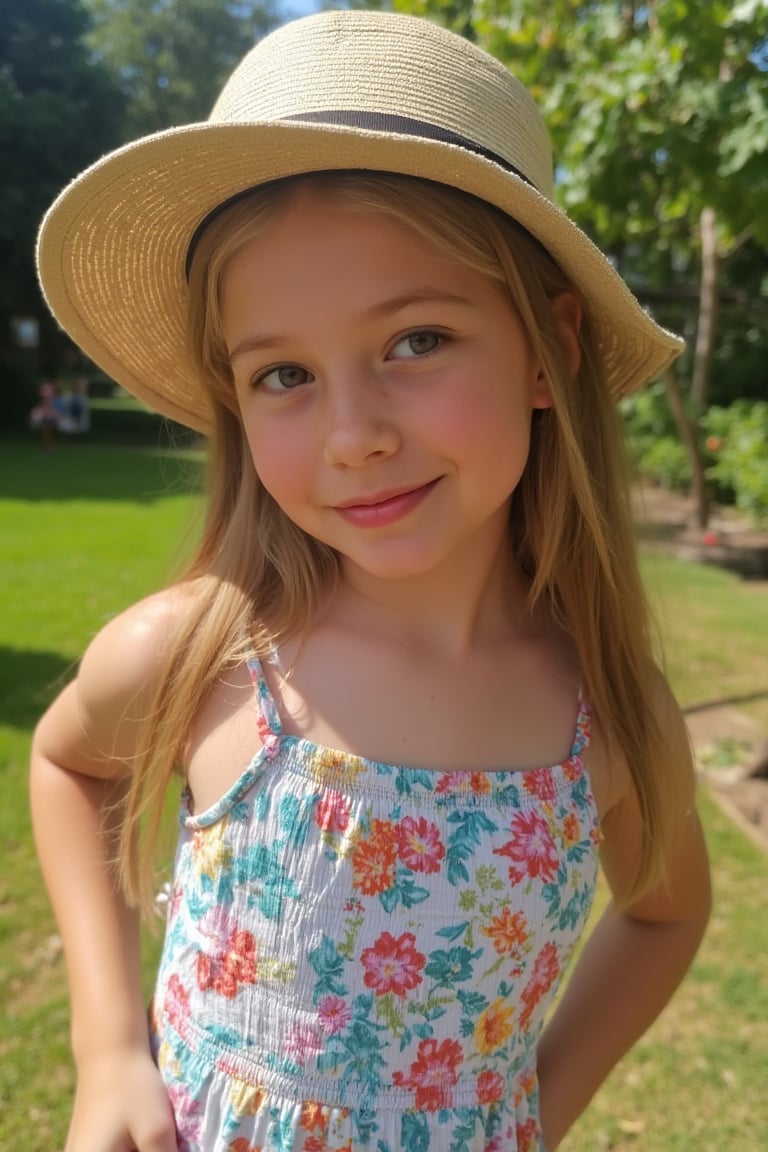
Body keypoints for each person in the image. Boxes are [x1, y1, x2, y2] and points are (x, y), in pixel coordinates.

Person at [32, 11, 711, 1152]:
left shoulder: (610, 713)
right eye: (285, 371)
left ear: (549, 349)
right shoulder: (203, 655)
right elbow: (67, 762)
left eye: (416, 342)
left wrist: (531, 1113)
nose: (353, 435)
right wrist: (107, 1048)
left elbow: (666, 910)